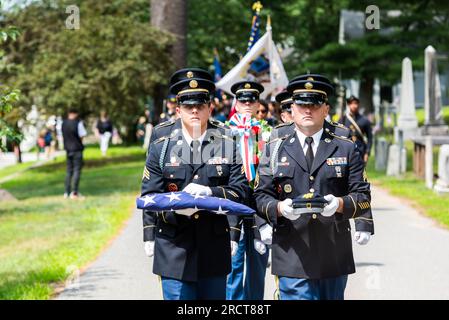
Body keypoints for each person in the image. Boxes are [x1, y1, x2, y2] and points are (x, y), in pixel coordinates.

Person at [254, 74, 373, 300]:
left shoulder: (345, 148)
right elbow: (261, 195)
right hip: (292, 251)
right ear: (293, 108)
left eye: (315, 104)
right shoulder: (274, 148)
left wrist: (339, 204)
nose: (308, 110)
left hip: (333, 251)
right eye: (301, 104)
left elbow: (363, 196)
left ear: (326, 109)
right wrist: (279, 209)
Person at [141, 68, 250, 300]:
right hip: (174, 247)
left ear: (210, 108)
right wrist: (149, 233)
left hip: (213, 245)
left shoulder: (226, 141)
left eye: (200, 105)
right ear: (178, 109)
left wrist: (210, 193)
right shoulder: (162, 146)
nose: (194, 110)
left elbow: (241, 191)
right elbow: (150, 194)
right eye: (188, 105)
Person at [225, 81, 272, 300]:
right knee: (232, 265)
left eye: (251, 100)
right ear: (236, 102)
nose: (246, 104)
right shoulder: (222, 131)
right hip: (232, 206)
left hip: (260, 207)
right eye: (242, 100)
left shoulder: (268, 132)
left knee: (258, 265)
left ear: (257, 104)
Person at [340, 95, 373, 164]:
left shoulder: (364, 120)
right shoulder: (343, 119)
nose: (354, 105)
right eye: (352, 103)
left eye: (356, 103)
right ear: (348, 105)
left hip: (360, 150)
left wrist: (367, 153)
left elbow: (370, 137)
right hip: (346, 151)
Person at [62, 109, 87, 199]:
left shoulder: (63, 123)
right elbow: (82, 135)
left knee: (69, 171)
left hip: (68, 150)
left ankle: (66, 192)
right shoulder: (78, 123)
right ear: (75, 114)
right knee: (77, 170)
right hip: (77, 149)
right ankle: (74, 192)